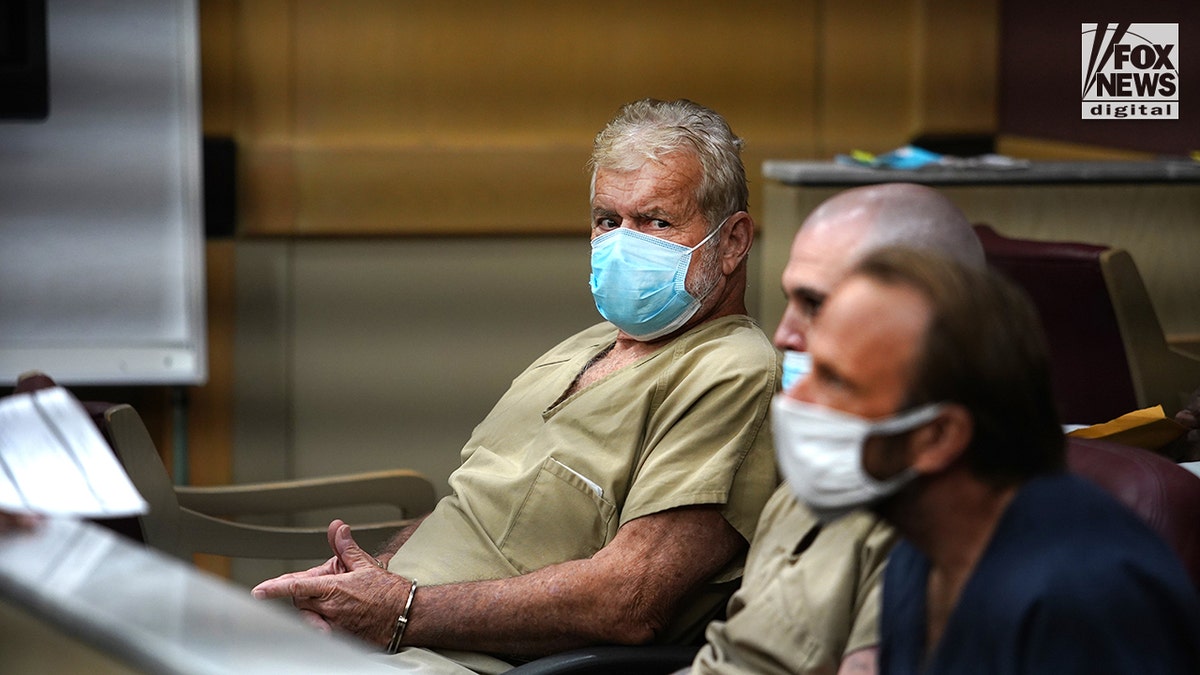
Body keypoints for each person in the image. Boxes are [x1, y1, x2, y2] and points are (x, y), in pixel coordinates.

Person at [251, 98, 779, 673]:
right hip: (394, 634)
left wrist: (402, 609)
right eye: (608, 220)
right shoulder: (590, 344)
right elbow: (482, 502)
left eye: (656, 221)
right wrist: (369, 578)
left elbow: (629, 601)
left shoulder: (733, 369)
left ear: (732, 243)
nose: (625, 243)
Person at [774, 246, 1200, 674]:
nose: (795, 398)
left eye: (833, 380)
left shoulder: (1086, 596)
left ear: (937, 436)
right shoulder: (922, 550)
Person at [684, 183, 985, 675]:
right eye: (791, 301)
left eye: (816, 304)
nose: (783, 333)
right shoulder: (820, 469)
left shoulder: (938, 517)